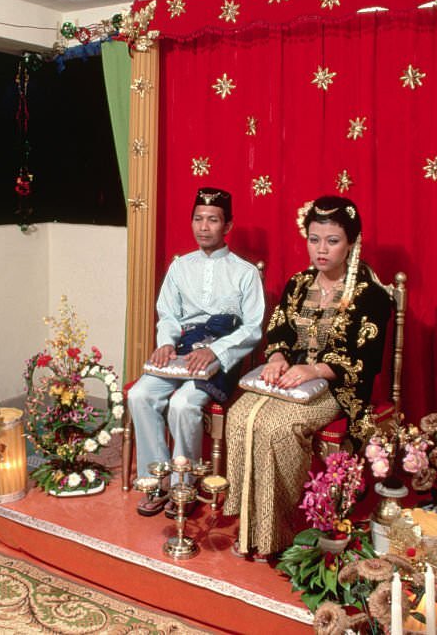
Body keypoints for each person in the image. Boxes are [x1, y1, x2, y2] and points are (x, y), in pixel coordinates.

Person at [224, 195, 391, 559]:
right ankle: (250, 524)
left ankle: (277, 531)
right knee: (239, 417)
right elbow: (278, 330)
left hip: (337, 387)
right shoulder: (298, 284)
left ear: (351, 243)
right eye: (314, 239)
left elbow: (365, 358)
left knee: (277, 428)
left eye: (332, 241)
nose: (321, 249)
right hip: (289, 378)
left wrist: (314, 369)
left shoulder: (371, 295)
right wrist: (278, 357)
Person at [129, 187, 264, 517]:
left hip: (223, 358)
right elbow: (169, 314)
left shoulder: (245, 272)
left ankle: (182, 485)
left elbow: (253, 328)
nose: (204, 227)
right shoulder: (180, 267)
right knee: (141, 395)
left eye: (213, 220)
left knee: (183, 403)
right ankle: (155, 479)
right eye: (198, 219)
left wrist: (216, 352)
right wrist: (165, 343)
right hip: (181, 351)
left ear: (227, 226)